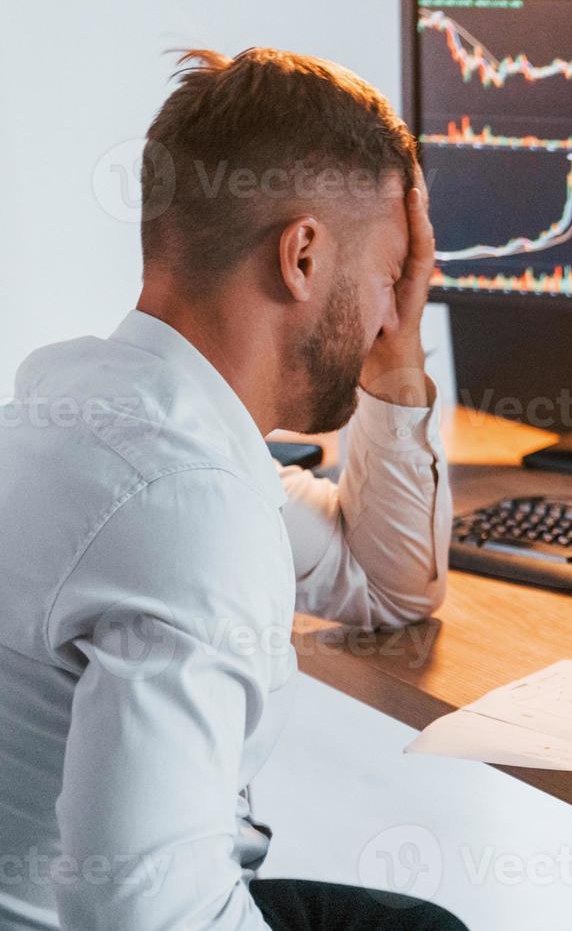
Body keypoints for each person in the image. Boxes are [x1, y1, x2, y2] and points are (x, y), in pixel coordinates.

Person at [0, 48, 466, 930]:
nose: (388, 316)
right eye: (389, 278)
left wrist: (398, 369)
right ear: (301, 256)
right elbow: (147, 919)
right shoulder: (187, 506)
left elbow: (389, 584)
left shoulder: (106, 418)